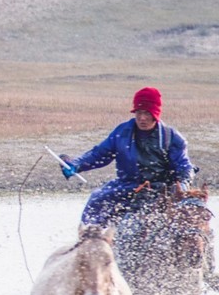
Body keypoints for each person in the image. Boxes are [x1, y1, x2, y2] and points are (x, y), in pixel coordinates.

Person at [60, 86, 195, 226]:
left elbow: (184, 166)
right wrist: (76, 165)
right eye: (139, 113)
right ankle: (90, 235)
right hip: (128, 185)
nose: (142, 118)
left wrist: (183, 186)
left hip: (161, 189)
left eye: (147, 113)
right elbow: (99, 154)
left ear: (156, 114)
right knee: (97, 198)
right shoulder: (122, 132)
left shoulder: (172, 138)